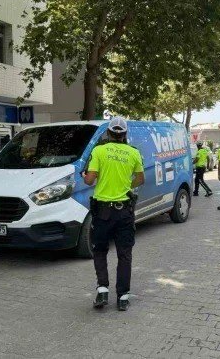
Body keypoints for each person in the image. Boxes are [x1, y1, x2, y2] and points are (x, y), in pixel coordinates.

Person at [82, 117, 144, 312]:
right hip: (124, 211)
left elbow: (89, 181)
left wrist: (85, 175)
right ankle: (123, 297)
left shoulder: (99, 151)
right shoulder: (134, 153)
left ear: (108, 133)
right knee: (124, 254)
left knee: (100, 251)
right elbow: (140, 179)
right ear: (124, 135)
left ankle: (102, 290)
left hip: (102, 212)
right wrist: (126, 186)